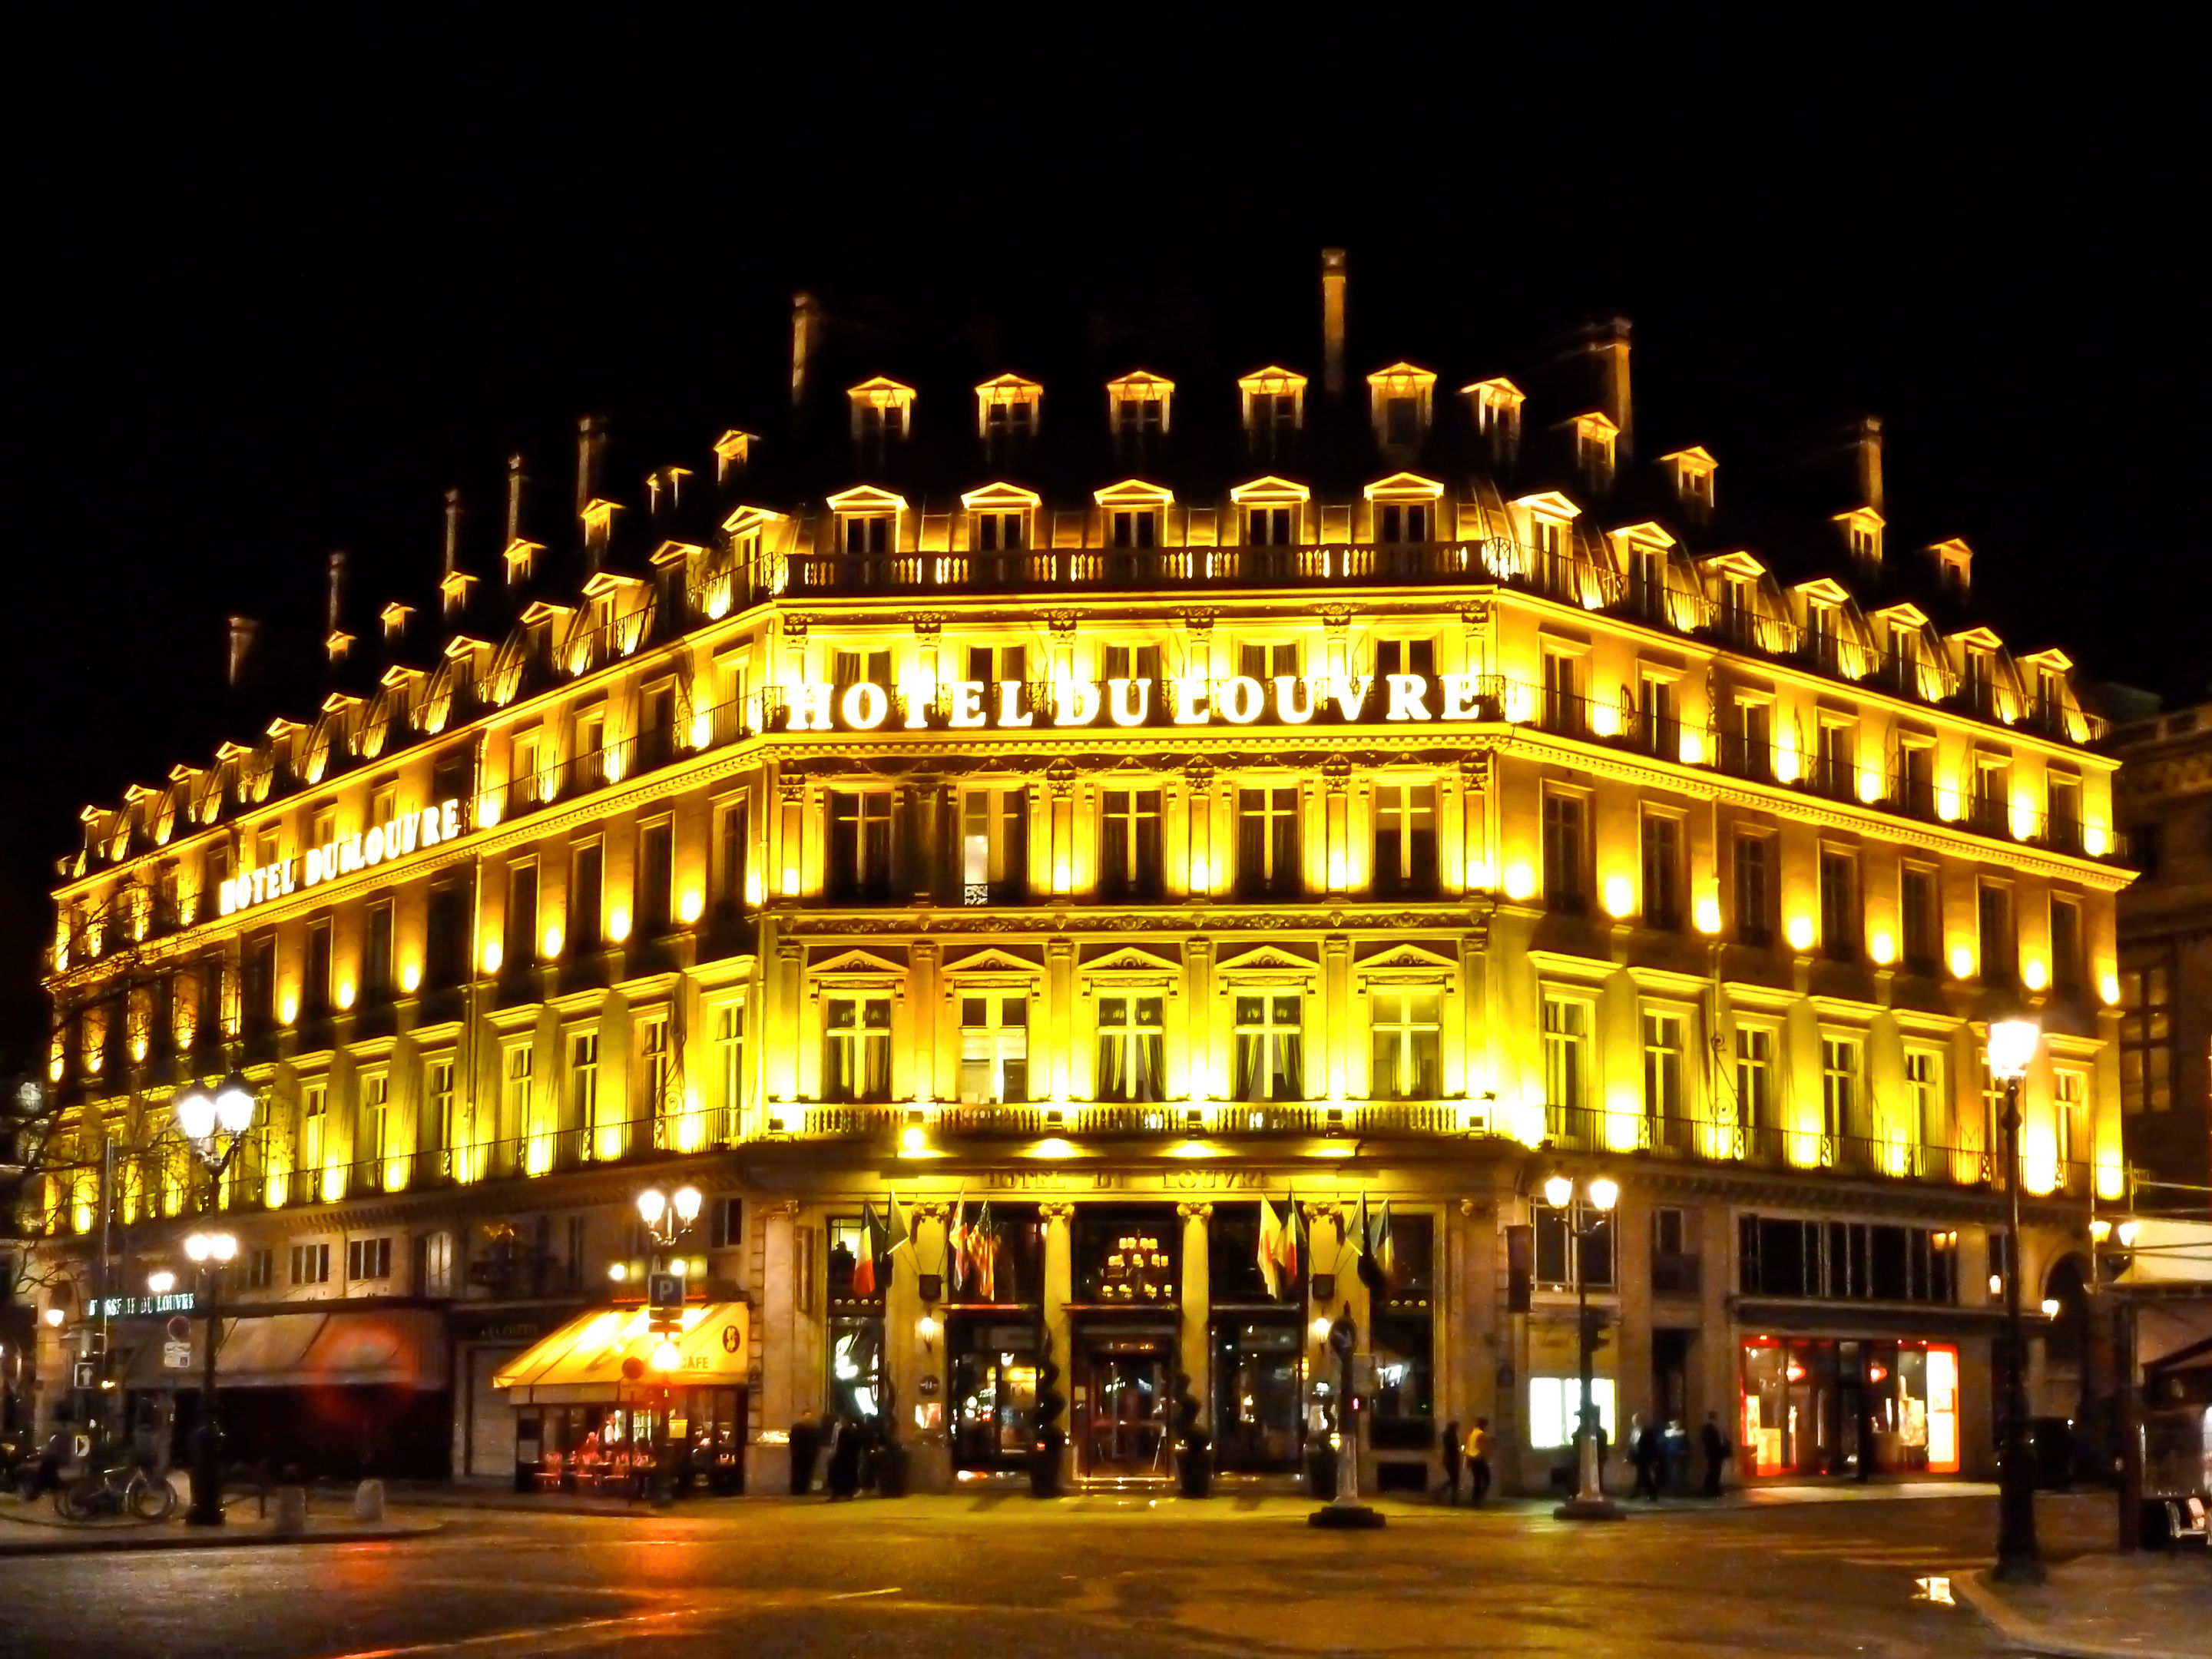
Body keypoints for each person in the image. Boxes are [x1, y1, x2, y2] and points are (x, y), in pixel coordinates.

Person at [1629, 1413, 1662, 1502]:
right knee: (1641, 1475)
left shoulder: (1648, 1432)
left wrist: (1654, 1458)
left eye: (1636, 1421)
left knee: (1644, 1475)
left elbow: (1652, 1445)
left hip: (1646, 1457)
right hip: (1637, 1457)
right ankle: (1641, 1493)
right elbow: (1632, 1445)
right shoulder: (1634, 1432)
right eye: (1634, 1421)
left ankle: (1650, 1494)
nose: (1635, 1423)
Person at [1700, 1411, 1729, 1498]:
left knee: (1715, 1472)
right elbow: (1710, 1442)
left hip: (1715, 1454)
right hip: (1713, 1454)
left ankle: (1714, 1490)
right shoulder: (1709, 1428)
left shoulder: (1713, 1428)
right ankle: (1711, 1490)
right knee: (1713, 1472)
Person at [1465, 1418, 1492, 1504]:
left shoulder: (1473, 1432)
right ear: (1483, 1425)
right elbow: (1480, 1447)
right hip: (1479, 1459)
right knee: (1487, 1479)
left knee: (1477, 1480)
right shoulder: (1481, 1434)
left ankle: (1475, 1498)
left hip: (1472, 1459)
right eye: (1486, 1425)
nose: (1487, 1427)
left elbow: (1468, 1446)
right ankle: (1478, 1498)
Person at [1440, 1417, 1463, 1503]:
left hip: (1448, 1459)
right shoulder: (1451, 1435)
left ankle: (1444, 1493)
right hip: (1452, 1460)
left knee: (1453, 1479)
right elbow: (1454, 1449)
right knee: (1455, 1480)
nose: (1458, 1429)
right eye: (1457, 1427)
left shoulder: (1447, 1434)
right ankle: (1453, 1499)